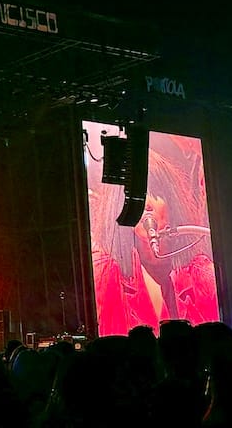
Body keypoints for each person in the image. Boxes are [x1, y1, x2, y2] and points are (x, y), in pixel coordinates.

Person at [88, 130, 219, 336]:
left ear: (172, 203)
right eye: (135, 196)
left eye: (155, 191)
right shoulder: (105, 279)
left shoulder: (203, 278)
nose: (146, 203)